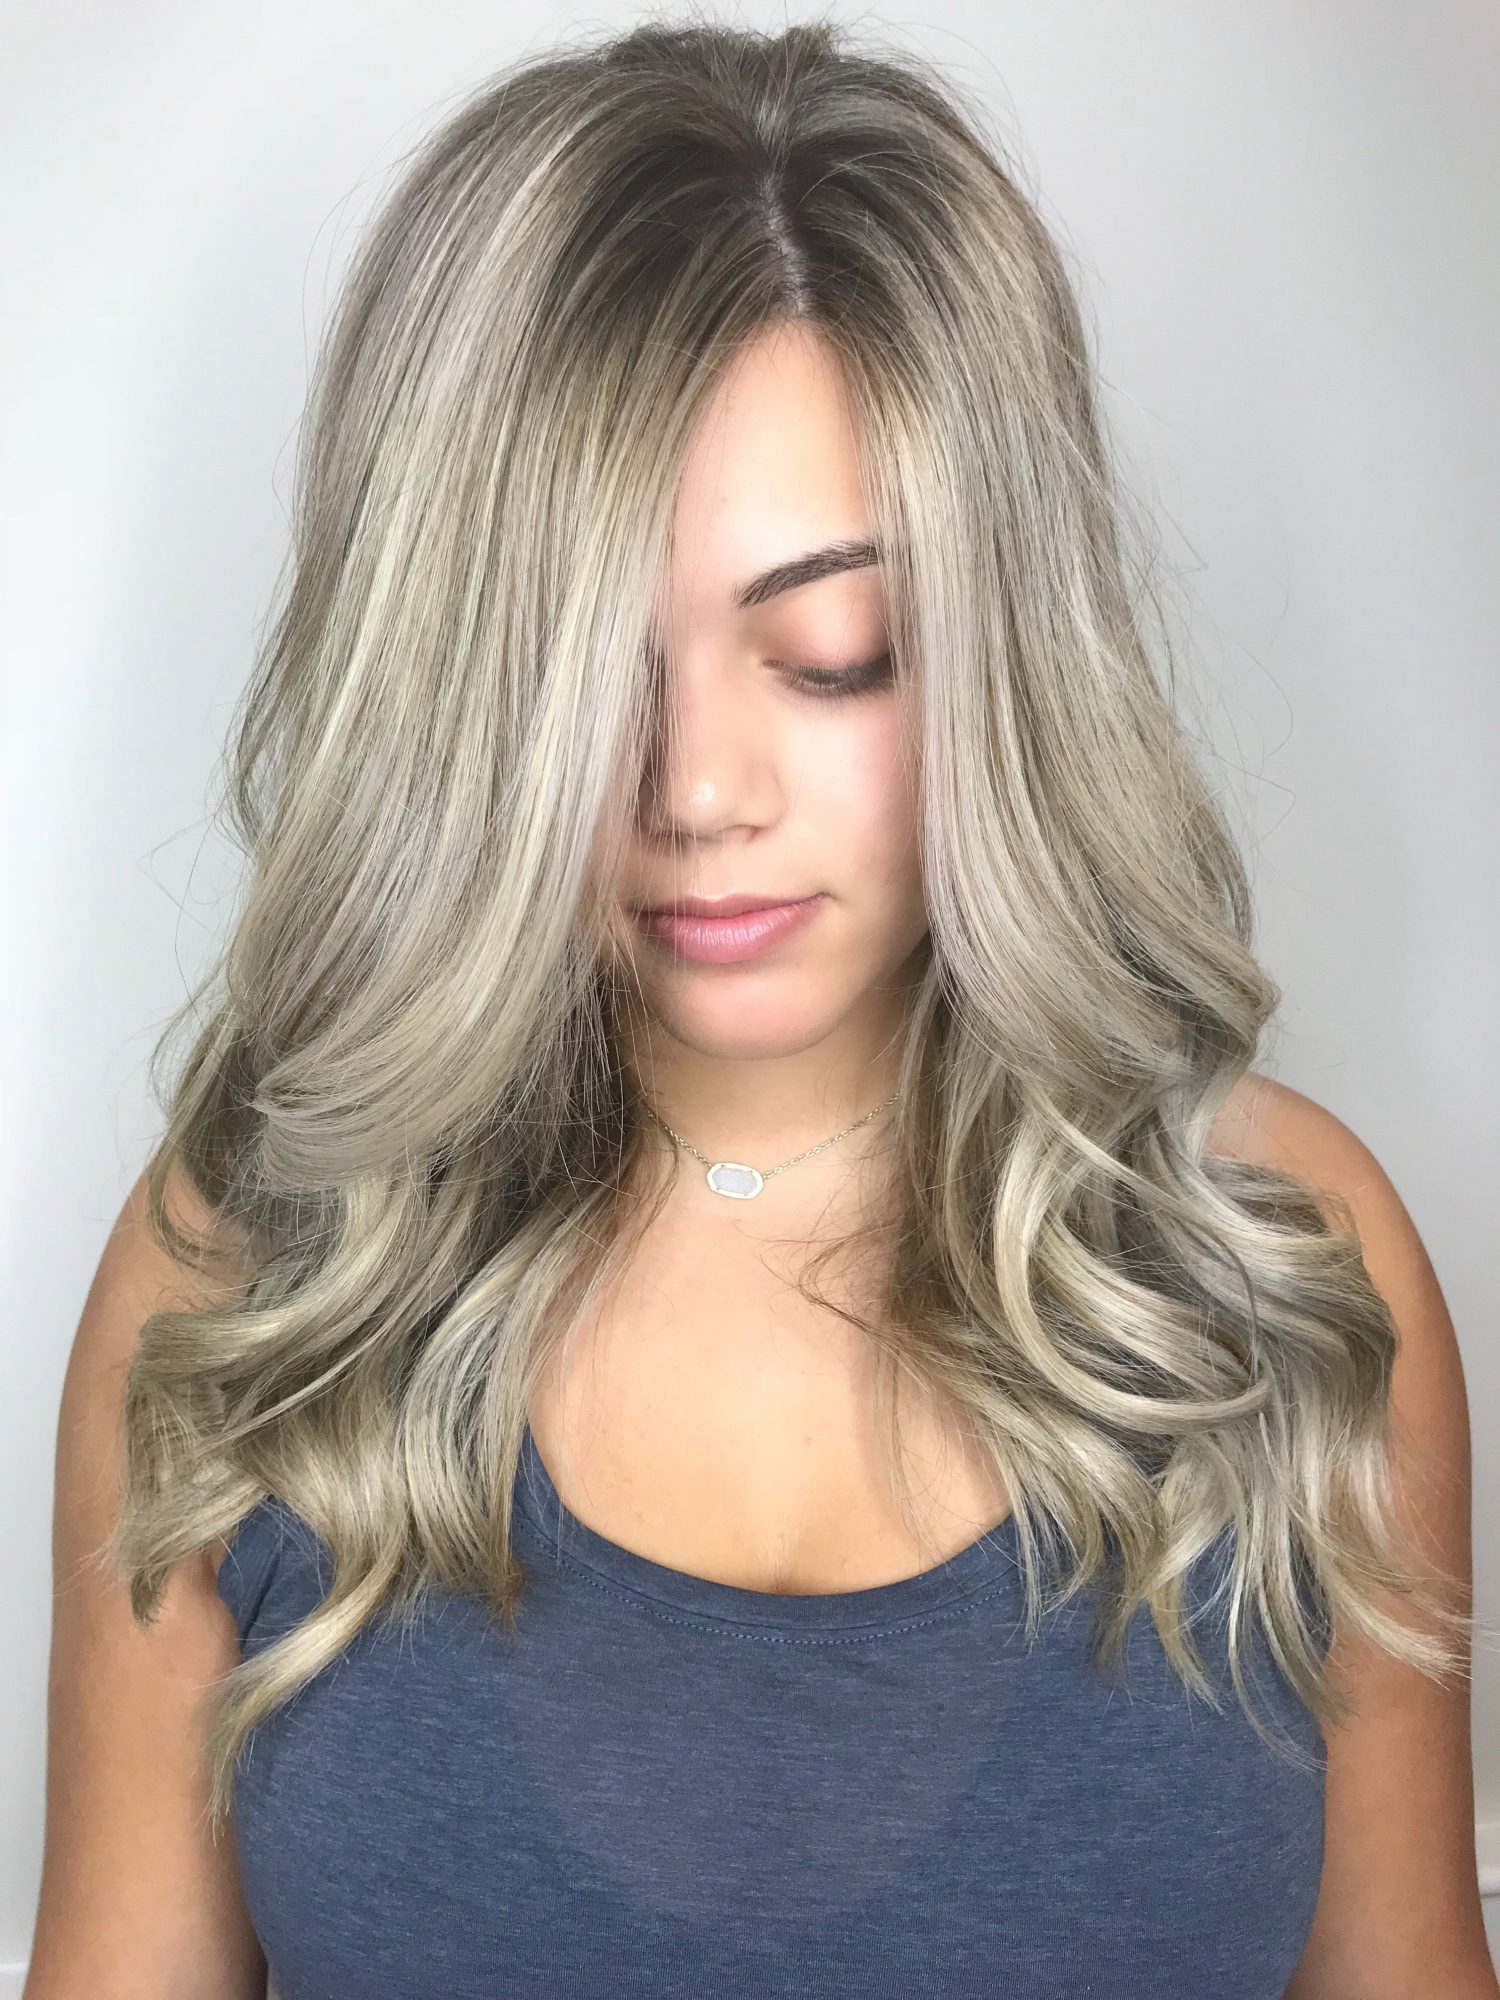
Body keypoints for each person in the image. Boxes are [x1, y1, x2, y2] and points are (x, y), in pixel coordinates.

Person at [26, 18, 1496, 2000]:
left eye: (832, 650)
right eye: (583, 673)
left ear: (999, 649)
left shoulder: (1286, 1270)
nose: (700, 789)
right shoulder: (250, 1275)